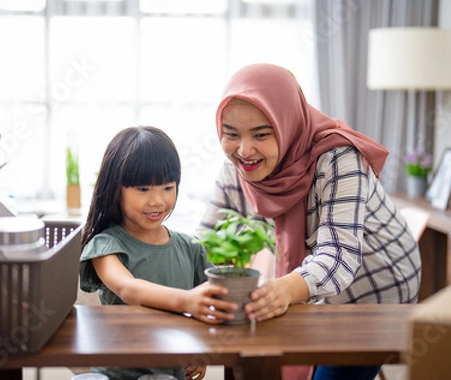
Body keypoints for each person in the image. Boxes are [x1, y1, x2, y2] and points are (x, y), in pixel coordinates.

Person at [197, 63, 422, 380]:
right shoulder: (237, 169)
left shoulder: (339, 157)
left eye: (261, 134)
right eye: (231, 134)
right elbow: (205, 241)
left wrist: (283, 291)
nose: (244, 150)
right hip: (307, 289)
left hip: (373, 290)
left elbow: (339, 254)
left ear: (286, 124)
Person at [80, 126, 237, 380]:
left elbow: (209, 312)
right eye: (143, 189)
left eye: (167, 187)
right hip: (115, 375)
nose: (157, 201)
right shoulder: (106, 245)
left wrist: (200, 350)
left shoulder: (191, 249)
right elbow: (129, 289)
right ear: (115, 189)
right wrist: (187, 301)